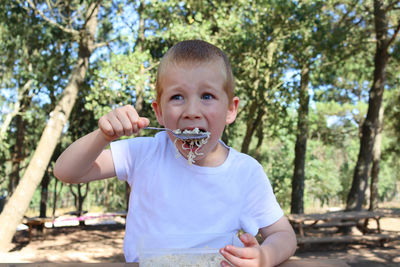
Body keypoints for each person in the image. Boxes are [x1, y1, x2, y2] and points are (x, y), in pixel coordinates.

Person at [54, 39, 296, 266]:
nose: (192, 110)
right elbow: (66, 171)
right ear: (159, 112)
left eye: (207, 96)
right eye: (177, 97)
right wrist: (103, 136)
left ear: (230, 110)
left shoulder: (246, 172)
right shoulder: (144, 153)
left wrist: (264, 255)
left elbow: (284, 235)